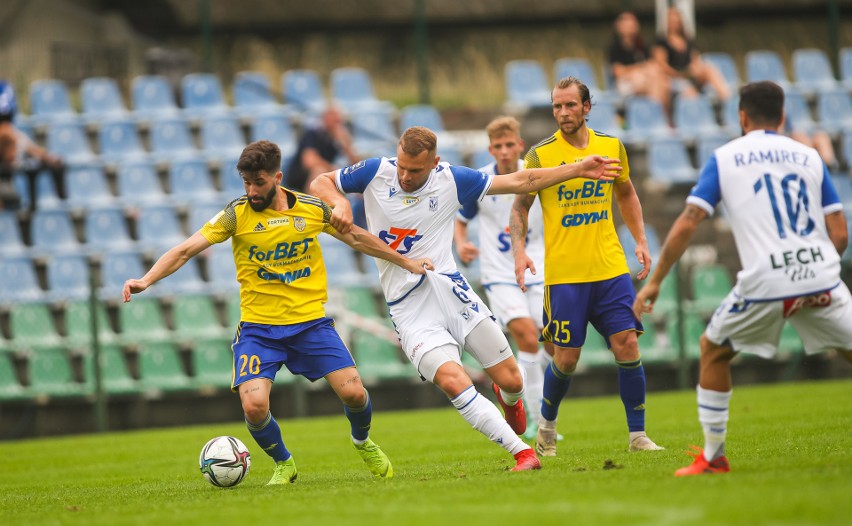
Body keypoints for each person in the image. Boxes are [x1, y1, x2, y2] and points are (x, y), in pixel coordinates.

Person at [309, 126, 621, 472]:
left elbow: (521, 181)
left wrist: (576, 169)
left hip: (453, 292)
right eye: (401, 166)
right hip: (409, 309)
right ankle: (523, 453)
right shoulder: (375, 172)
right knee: (454, 381)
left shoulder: (452, 180)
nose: (404, 176)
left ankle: (511, 399)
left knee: (512, 380)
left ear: (435, 163)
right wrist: (339, 201)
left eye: (414, 170)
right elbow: (321, 181)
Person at [123, 140, 434, 485]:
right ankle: (283, 462)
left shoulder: (311, 209)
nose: (252, 191)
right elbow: (185, 250)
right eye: (246, 182)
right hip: (259, 329)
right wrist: (147, 280)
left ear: (278, 177)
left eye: (259, 183)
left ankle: (362, 441)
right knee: (254, 406)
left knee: (355, 394)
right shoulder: (235, 214)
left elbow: (359, 239)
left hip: (310, 325)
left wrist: (407, 262)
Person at [634, 81, 852, 476]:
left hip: (768, 279)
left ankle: (714, 455)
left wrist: (654, 280)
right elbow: (839, 235)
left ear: (742, 116)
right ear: (783, 116)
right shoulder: (810, 156)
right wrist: (813, 273)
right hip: (821, 276)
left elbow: (689, 221)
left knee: (714, 349)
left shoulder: (726, 157)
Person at [511, 77, 664, 457]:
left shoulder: (611, 147)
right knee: (566, 357)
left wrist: (640, 240)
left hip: (610, 269)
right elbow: (519, 207)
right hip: (565, 276)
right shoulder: (539, 155)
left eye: (570, 106)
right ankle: (546, 426)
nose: (563, 113)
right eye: (557, 107)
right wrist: (519, 251)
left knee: (627, 344)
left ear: (586, 107)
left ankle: (638, 435)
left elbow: (626, 192)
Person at [453, 116, 555, 441]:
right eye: (498, 146)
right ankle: (541, 422)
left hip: (538, 268)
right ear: (491, 149)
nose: (505, 151)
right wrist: (462, 243)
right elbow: (461, 219)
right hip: (499, 273)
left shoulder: (535, 173)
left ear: (520, 145)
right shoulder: (481, 181)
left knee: (551, 342)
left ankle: (519, 396)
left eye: (510, 144)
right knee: (526, 335)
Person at [0, 80, 65, 210]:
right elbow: (26, 146)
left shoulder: (12, 133)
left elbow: (28, 147)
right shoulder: (7, 133)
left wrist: (45, 156)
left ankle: (60, 196)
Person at [652, 6, 731, 102]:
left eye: (677, 19)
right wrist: (680, 75)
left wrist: (692, 71)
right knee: (688, 91)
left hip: (690, 75)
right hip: (672, 78)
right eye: (672, 19)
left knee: (709, 69)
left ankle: (727, 98)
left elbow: (695, 59)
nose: (675, 22)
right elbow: (662, 65)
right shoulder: (661, 42)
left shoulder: (688, 41)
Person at [608, 11, 671, 115]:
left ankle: (659, 118)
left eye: (633, 22)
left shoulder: (642, 46)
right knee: (654, 82)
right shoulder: (615, 48)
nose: (631, 25)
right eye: (626, 22)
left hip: (645, 80)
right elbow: (618, 72)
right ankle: (660, 117)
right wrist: (641, 68)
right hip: (625, 84)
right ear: (619, 27)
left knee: (663, 83)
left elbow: (652, 64)